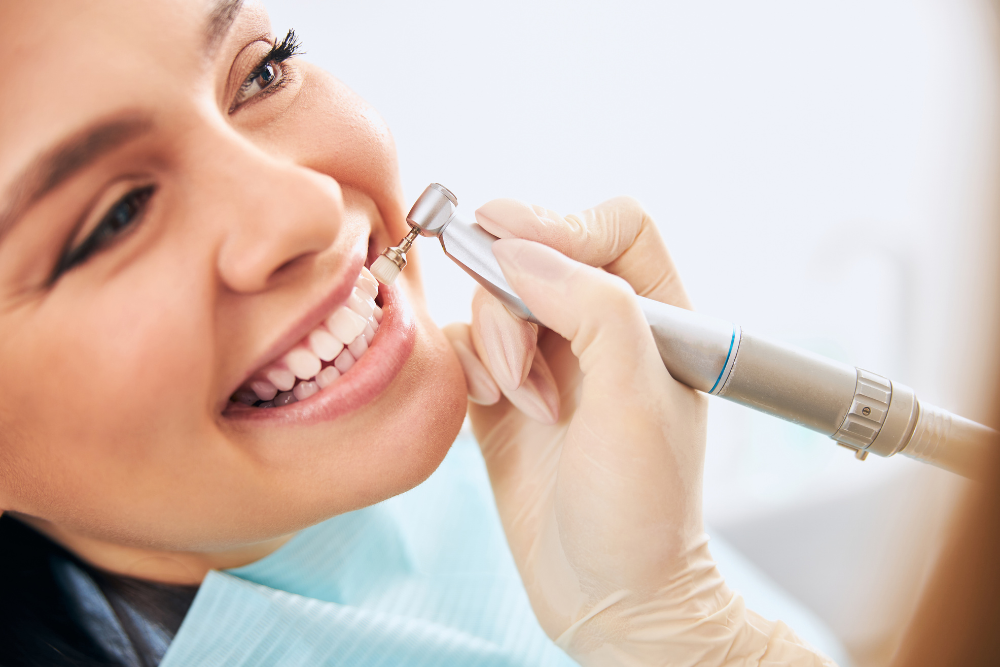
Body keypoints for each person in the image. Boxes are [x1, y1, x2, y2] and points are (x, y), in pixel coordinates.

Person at [1, 1, 994, 666]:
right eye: (113, 221)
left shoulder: (524, 457)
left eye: (262, 73)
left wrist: (682, 623)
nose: (305, 206)